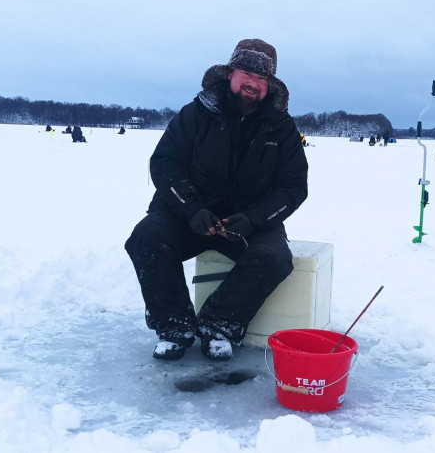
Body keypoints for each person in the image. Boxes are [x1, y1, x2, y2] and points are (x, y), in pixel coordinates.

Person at [125, 39, 308, 362]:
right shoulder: (195, 113)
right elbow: (165, 163)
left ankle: (219, 326)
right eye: (247, 73)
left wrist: (254, 218)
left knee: (275, 258)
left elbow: (293, 187)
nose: (253, 83)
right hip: (190, 216)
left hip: (249, 224)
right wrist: (191, 208)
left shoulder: (282, 128)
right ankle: (173, 327)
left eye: (262, 78)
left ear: (270, 84)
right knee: (146, 237)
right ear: (230, 73)